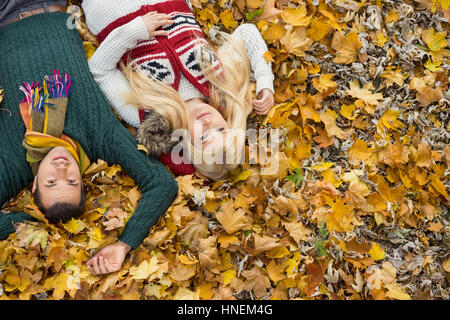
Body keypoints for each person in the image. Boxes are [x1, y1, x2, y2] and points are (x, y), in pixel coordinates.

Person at [0, 1, 178, 276]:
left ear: (34, 182)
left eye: (51, 181)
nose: (62, 169)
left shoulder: (14, 162)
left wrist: (33, 222)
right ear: (82, 179)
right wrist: (123, 244)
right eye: (71, 181)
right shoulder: (100, 140)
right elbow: (162, 183)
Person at [81, 0, 275, 181]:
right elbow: (247, 32)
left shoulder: (148, 114)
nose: (208, 122)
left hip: (109, 8)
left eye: (204, 137)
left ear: (186, 143)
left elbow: (100, 71)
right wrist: (265, 81)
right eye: (221, 129)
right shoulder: (219, 82)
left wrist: (135, 30)